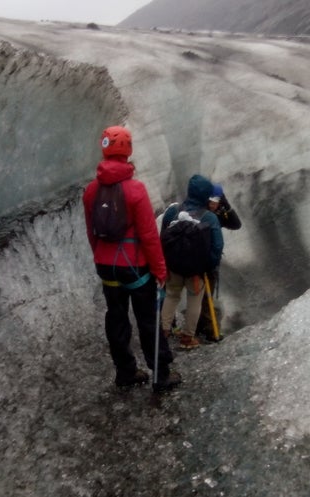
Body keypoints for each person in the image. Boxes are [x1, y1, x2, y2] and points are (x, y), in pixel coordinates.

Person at [83, 125, 181, 393]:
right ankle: (160, 375)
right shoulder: (135, 190)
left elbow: (91, 232)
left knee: (116, 318)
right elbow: (149, 236)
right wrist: (160, 270)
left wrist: (100, 258)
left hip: (107, 267)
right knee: (148, 320)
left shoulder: (91, 190)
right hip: (135, 268)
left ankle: (125, 371)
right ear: (128, 150)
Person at [160, 174, 224, 350]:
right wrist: (207, 266)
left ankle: (164, 331)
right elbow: (217, 246)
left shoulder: (173, 211)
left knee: (172, 296)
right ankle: (188, 337)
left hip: (174, 267)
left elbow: (163, 236)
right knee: (194, 299)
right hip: (196, 270)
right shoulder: (210, 217)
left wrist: (167, 261)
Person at [195, 183, 241, 341]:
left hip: (211, 261)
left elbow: (236, 224)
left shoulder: (218, 213)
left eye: (216, 201)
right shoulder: (202, 214)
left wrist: (227, 207)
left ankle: (202, 326)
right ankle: (209, 330)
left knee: (206, 295)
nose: (214, 204)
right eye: (211, 201)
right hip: (201, 261)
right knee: (204, 295)